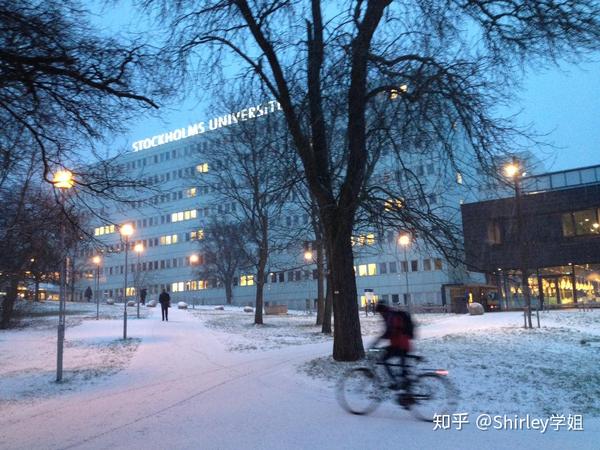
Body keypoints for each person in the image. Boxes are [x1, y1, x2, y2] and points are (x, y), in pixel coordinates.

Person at [373, 302, 414, 403]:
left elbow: (390, 332)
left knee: (383, 359)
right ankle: (406, 395)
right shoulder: (392, 314)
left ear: (382, 310)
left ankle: (397, 384)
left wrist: (376, 342)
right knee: (403, 371)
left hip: (400, 345)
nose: (380, 315)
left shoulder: (390, 316)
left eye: (380, 313)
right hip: (402, 344)